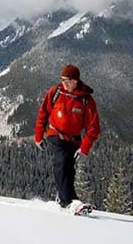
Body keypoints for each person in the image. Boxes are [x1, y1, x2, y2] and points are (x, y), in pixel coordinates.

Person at [34, 64, 101, 214]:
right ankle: (68, 202)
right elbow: (43, 114)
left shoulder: (86, 100)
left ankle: (66, 198)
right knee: (61, 160)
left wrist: (84, 148)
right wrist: (38, 135)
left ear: (76, 80)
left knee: (69, 169)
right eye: (63, 79)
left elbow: (93, 127)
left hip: (74, 140)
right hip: (54, 134)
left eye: (69, 80)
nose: (65, 83)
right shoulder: (55, 92)